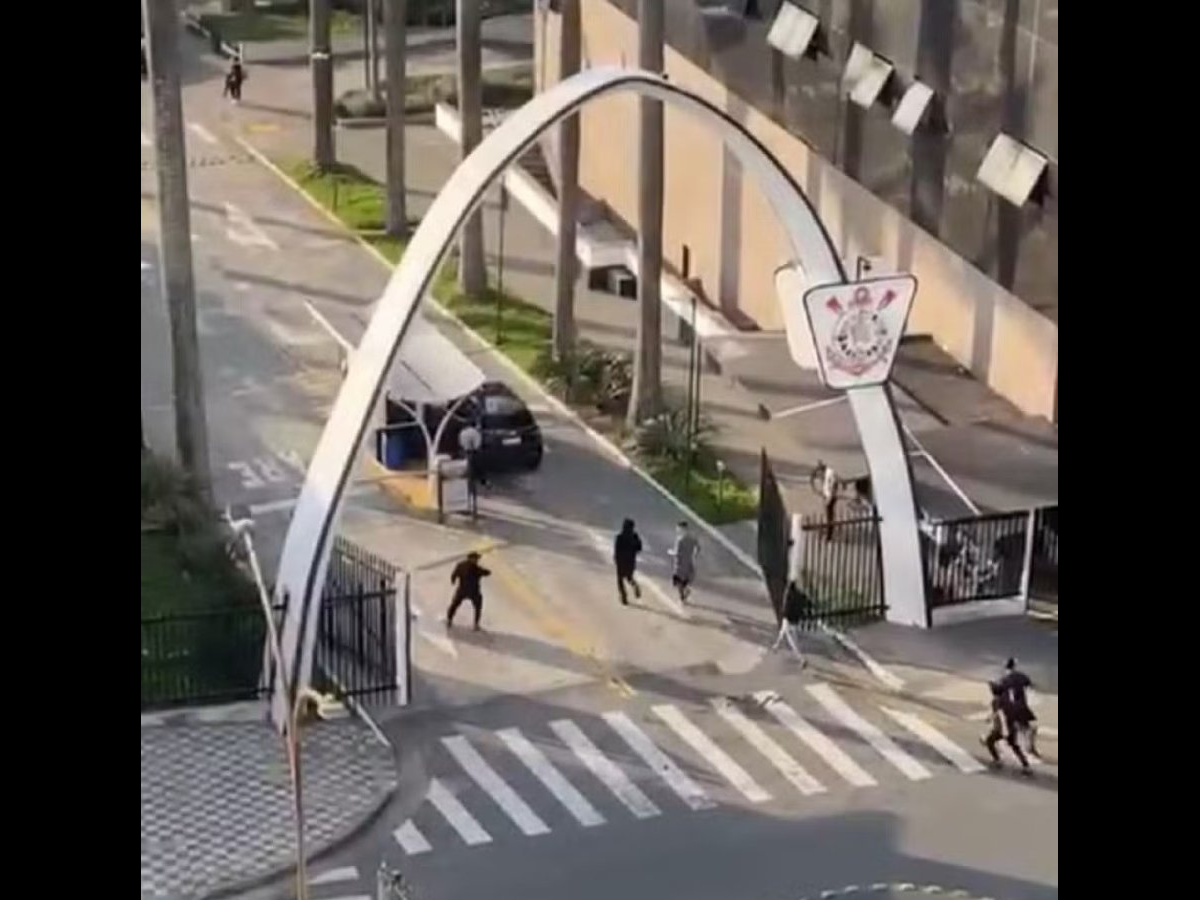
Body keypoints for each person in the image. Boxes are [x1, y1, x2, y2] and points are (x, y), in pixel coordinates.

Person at [980, 680, 1032, 776]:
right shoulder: (1007, 699)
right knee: (1015, 746)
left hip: (1002, 729)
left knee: (989, 741)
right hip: (1011, 727)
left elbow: (998, 714)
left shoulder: (996, 701)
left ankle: (997, 760)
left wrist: (989, 719)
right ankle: (1026, 765)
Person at [1000, 657, 1040, 758]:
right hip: (1020, 707)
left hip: (1009, 708)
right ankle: (1030, 747)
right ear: (1015, 666)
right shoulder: (1020, 676)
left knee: (1009, 727)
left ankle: (1004, 742)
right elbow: (1031, 685)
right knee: (1031, 727)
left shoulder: (1004, 678)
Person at [446, 551, 491, 631]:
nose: (477, 560)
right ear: (471, 559)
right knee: (478, 607)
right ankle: (476, 624)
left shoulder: (460, 565)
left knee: (454, 605)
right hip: (473, 591)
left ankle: (449, 619)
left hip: (462, 590)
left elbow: (454, 574)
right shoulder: (476, 568)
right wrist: (487, 571)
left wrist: (453, 581)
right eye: (476, 558)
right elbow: (486, 573)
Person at [771, 581, 809, 666]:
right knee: (783, 631)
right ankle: (776, 646)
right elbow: (806, 602)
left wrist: (783, 614)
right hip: (794, 620)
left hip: (788, 619)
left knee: (792, 641)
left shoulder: (788, 597)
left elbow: (785, 608)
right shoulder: (799, 596)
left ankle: (801, 659)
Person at [613, 519, 643, 606]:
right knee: (629, 577)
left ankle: (624, 596)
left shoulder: (620, 537)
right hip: (631, 561)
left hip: (621, 561)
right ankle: (635, 585)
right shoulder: (634, 536)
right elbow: (639, 548)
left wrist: (616, 559)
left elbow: (617, 550)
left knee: (620, 579)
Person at [668, 521, 700, 602]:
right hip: (689, 562)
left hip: (680, 564)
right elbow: (698, 547)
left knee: (678, 582)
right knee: (687, 579)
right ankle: (686, 590)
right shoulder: (692, 538)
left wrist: (670, 552)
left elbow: (677, 553)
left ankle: (682, 596)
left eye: (678, 528)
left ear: (682, 529)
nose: (677, 530)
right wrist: (694, 555)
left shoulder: (680, 540)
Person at [819, 461, 839, 540]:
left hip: (830, 497)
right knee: (829, 515)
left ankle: (829, 535)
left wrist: (829, 498)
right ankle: (829, 531)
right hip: (827, 495)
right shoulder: (827, 472)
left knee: (829, 516)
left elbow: (834, 485)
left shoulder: (830, 472)